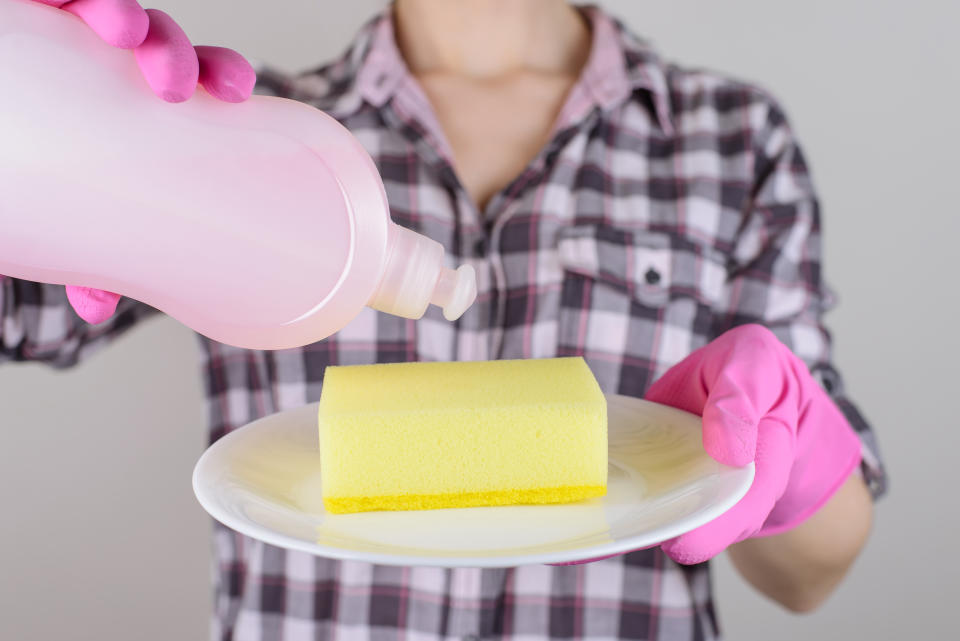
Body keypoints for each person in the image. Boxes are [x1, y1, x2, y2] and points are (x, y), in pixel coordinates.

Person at [3, 1, 887, 639]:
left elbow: (811, 578)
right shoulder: (236, 133)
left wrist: (792, 451)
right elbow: (21, 317)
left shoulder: (728, 140)